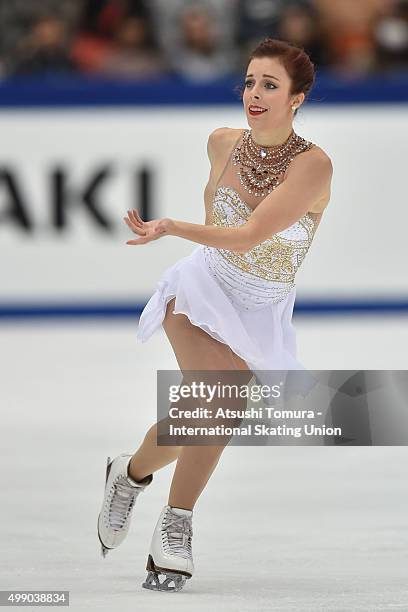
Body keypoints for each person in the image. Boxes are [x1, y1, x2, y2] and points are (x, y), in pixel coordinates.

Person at [97, 37, 333, 593]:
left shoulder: (314, 166)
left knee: (206, 412)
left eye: (269, 85)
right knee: (218, 400)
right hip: (203, 287)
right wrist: (181, 238)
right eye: (249, 82)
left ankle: (129, 475)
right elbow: (224, 246)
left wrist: (173, 225)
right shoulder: (221, 143)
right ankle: (175, 528)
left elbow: (252, 235)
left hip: (262, 307)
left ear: (297, 98)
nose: (254, 93)